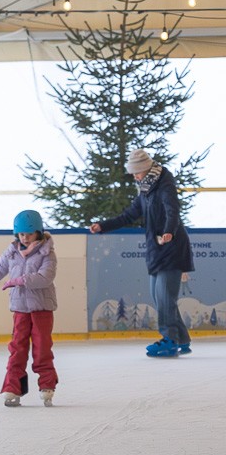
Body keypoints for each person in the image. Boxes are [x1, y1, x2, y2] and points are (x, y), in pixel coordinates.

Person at [91, 147, 195, 358]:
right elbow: (129, 215)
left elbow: (172, 210)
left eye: (136, 172)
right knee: (160, 297)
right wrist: (103, 226)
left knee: (165, 298)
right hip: (157, 249)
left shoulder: (164, 184)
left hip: (172, 246)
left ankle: (170, 341)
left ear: (146, 169)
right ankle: (182, 339)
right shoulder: (146, 190)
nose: (134, 177)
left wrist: (168, 231)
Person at [0, 209, 59, 407]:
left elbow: (45, 277)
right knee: (17, 348)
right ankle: (13, 387)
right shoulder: (12, 252)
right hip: (20, 307)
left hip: (41, 308)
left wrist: (20, 280)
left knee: (42, 348)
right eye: (21, 234)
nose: (24, 238)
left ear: (38, 232)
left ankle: (46, 385)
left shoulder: (47, 253)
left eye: (29, 234)